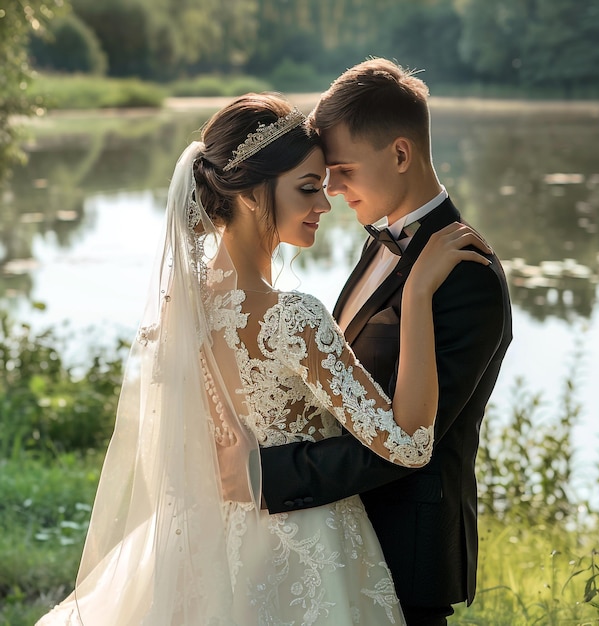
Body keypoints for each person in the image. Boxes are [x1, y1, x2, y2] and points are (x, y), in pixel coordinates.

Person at [35, 92, 492, 626]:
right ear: (252, 195)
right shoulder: (292, 318)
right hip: (308, 553)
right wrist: (415, 297)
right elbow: (412, 443)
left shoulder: (179, 305)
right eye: (308, 189)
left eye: (326, 185)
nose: (326, 203)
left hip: (201, 542)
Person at [258, 59, 514, 625]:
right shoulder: (381, 238)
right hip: (344, 545)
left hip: (407, 555)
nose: (330, 188)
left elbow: (409, 442)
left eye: (343, 170)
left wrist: (269, 474)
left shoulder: (466, 275)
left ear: (401, 155)